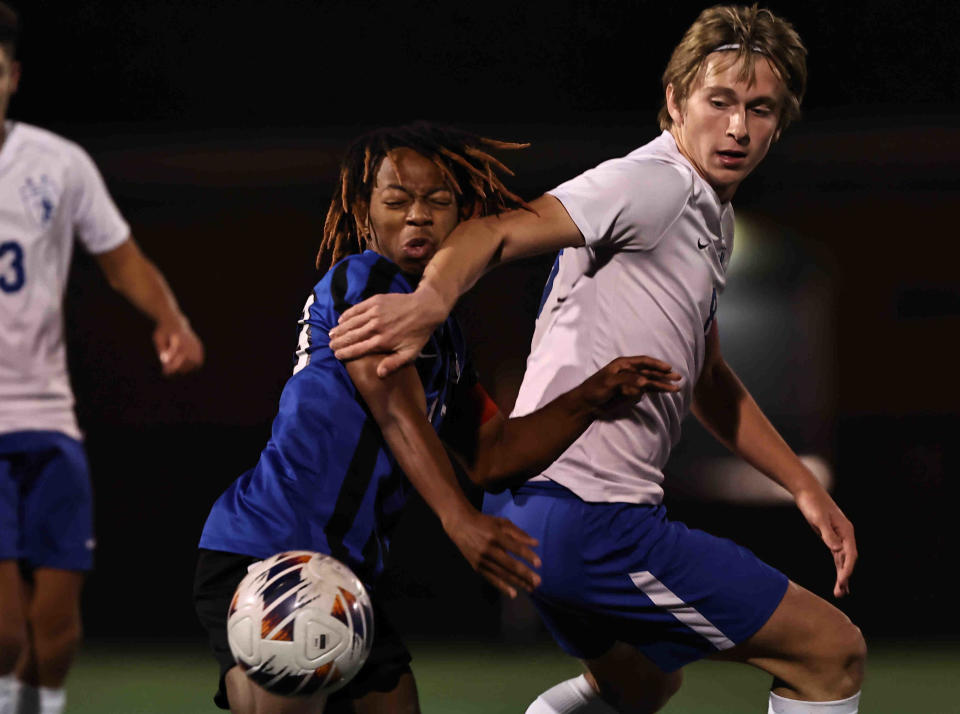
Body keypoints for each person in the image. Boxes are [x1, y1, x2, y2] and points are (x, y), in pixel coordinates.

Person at [327, 7, 866, 714]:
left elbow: (707, 379)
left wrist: (804, 488)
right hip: (589, 519)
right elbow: (494, 233)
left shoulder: (711, 215)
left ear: (780, 121)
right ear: (675, 102)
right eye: (720, 102)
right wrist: (429, 304)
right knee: (831, 653)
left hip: (541, 514)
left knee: (639, 683)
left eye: (760, 109)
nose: (737, 127)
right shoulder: (655, 183)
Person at [193, 122, 682, 714]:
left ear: (463, 214)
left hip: (346, 573)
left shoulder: (442, 338)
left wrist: (593, 395)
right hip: (273, 547)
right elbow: (394, 410)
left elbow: (493, 454)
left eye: (438, 201)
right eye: (397, 201)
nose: (418, 216)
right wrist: (459, 522)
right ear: (364, 209)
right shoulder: (364, 278)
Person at [0, 5, 205, 714]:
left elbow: (121, 260)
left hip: (50, 417)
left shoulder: (57, 164)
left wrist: (169, 318)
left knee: (54, 622)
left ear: (12, 76)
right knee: (2, 628)